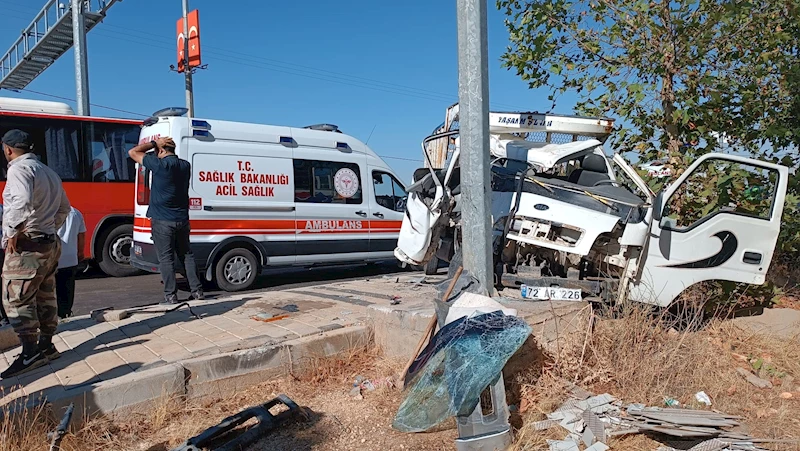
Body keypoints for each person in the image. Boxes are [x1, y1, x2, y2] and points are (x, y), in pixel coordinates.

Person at [1, 129, 71, 379]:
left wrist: (12, 232)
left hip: (28, 245)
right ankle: (47, 345)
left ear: (7, 149)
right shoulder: (48, 171)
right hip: (49, 243)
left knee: (16, 299)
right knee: (45, 294)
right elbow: (65, 208)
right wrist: (49, 228)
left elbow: (21, 201)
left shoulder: (18, 169)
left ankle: (30, 353)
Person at [127, 136, 204, 304]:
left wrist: (154, 143)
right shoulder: (185, 165)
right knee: (187, 255)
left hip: (162, 220)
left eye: (157, 151)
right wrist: (159, 147)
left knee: (166, 259)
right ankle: (197, 291)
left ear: (161, 151)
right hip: (182, 219)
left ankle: (171, 295)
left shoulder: (160, 165)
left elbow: (133, 152)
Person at [55, 206, 86, 319]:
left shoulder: (48, 211)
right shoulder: (76, 213)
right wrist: (80, 252)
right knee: (67, 288)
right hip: (70, 258)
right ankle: (65, 314)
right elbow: (81, 235)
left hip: (52, 258)